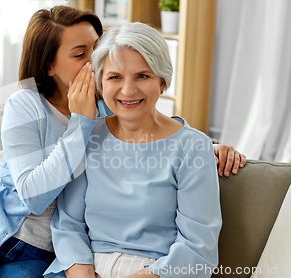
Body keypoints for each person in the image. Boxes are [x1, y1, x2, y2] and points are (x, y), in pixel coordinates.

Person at [0, 5, 243, 278]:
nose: (98, 62)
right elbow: (34, 197)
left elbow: (150, 125)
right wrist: (80, 123)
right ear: (50, 66)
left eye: (98, 49)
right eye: (82, 55)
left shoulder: (108, 104)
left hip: (40, 251)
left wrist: (205, 148)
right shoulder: (27, 106)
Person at [45, 22, 222, 278]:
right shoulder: (87, 135)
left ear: (162, 82)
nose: (128, 90)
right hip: (83, 269)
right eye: (115, 77)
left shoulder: (193, 147)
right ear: (100, 83)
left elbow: (198, 248)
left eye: (142, 76)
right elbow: (67, 225)